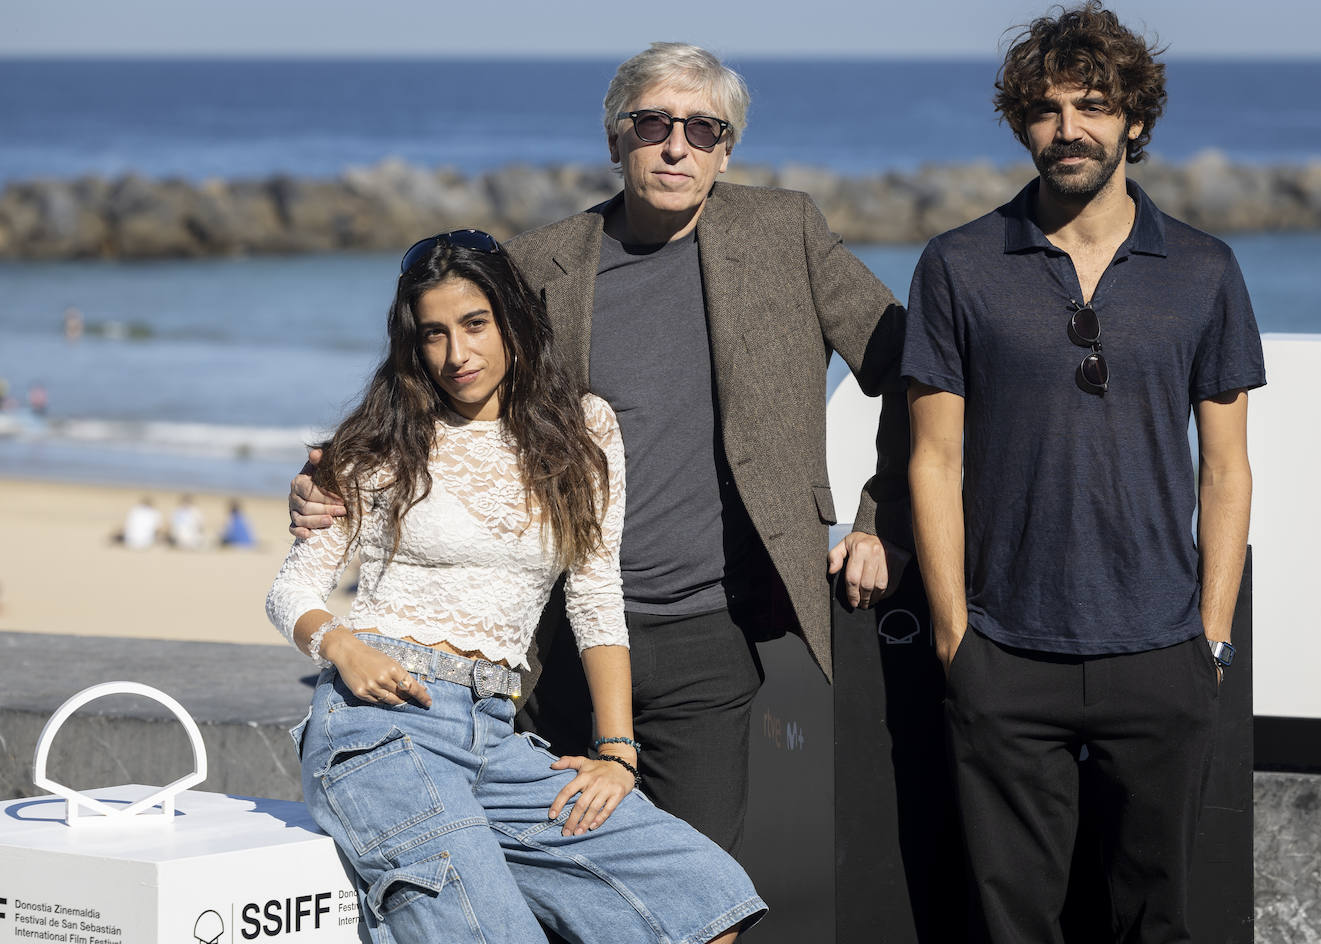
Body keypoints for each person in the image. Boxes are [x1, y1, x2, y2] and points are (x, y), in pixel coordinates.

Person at [290, 43, 910, 853]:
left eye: (702, 127)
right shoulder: (538, 264)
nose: (675, 144)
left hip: (709, 633)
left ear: (727, 149)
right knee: (565, 888)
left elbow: (911, 365)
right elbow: (435, 393)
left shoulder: (783, 231)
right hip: (553, 641)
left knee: (698, 894)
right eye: (652, 122)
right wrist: (326, 481)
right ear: (615, 138)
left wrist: (878, 513)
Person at [266, 232, 764, 944]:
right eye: (433, 334)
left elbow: (595, 601)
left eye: (474, 325)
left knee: (706, 899)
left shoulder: (585, 431)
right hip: (379, 728)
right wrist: (342, 647)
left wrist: (616, 751)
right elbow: (291, 592)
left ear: (512, 321)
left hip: (497, 735)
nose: (456, 356)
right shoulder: (380, 443)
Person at [902, 4, 1265, 941]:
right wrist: (954, 637)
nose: (1069, 130)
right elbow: (934, 458)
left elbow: (1226, 470)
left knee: (1159, 921)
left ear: (1135, 121)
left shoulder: (1204, 269)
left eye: (1093, 106)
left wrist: (1210, 639)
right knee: (1012, 925)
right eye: (1047, 109)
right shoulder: (958, 265)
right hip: (1005, 654)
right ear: (1022, 123)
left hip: (1161, 650)